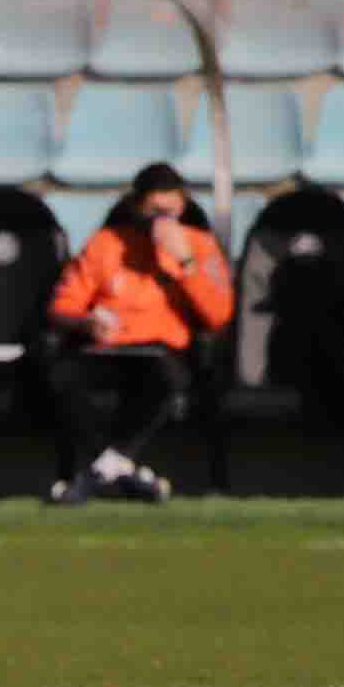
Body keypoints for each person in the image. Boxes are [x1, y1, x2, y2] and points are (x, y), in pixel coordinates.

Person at [44, 166, 234, 506]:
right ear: (136, 206)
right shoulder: (106, 244)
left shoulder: (200, 246)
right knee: (60, 377)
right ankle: (123, 471)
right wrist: (85, 322)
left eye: (170, 211)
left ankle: (94, 475)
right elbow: (62, 305)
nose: (161, 219)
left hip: (162, 352)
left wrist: (186, 263)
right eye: (153, 211)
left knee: (162, 381)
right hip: (106, 349)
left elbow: (219, 314)